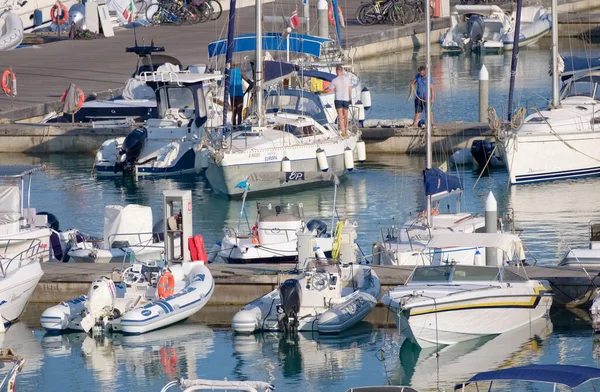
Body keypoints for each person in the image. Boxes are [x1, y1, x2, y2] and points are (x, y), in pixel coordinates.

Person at [322, 66, 352, 137]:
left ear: (336, 71)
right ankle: (346, 131)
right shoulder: (347, 79)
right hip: (346, 99)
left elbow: (329, 90)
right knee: (346, 116)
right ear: (342, 71)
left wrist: (321, 92)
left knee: (340, 117)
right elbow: (350, 89)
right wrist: (350, 98)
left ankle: (343, 132)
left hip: (338, 99)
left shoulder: (334, 80)